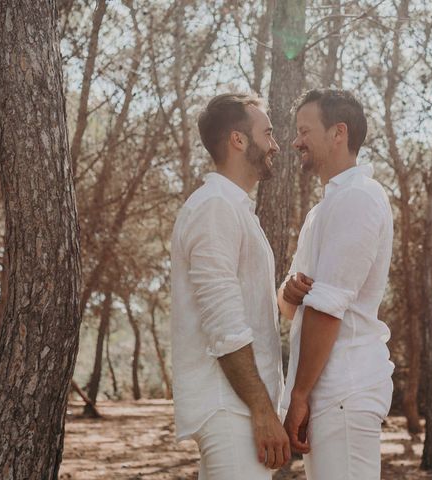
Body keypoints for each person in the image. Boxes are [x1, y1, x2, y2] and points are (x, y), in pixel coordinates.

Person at [170, 93, 289, 479]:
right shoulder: (214, 207)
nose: (274, 145)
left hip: (238, 407)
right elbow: (223, 323)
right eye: (267, 134)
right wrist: (261, 410)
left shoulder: (233, 208)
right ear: (238, 140)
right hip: (231, 408)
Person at [279, 89, 395, 479]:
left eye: (304, 130)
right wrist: (289, 291)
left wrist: (298, 395)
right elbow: (291, 305)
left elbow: (328, 309)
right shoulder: (323, 209)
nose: (296, 141)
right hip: (328, 393)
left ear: (338, 133)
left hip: (345, 388)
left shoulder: (359, 199)